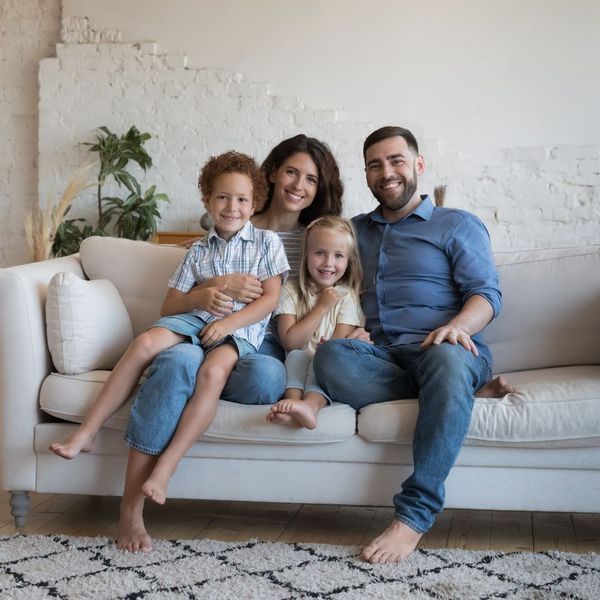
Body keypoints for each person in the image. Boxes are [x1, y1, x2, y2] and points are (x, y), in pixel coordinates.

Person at [117, 134, 344, 552]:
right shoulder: (234, 220)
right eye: (291, 172)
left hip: (269, 343)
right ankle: (131, 510)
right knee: (175, 364)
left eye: (311, 179)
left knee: (263, 376)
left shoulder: (322, 235)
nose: (298, 185)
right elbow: (195, 282)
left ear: (319, 188)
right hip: (215, 332)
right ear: (271, 175)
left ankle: (202, 381)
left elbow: (338, 290)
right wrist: (211, 282)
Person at [313, 125, 512, 564]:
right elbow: (323, 280)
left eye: (396, 160)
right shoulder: (355, 232)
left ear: (418, 165)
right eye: (375, 165)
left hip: (446, 351)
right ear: (366, 175)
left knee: (446, 361)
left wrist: (458, 327)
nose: (387, 172)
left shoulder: (456, 224)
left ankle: (414, 516)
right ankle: (451, 399)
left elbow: (487, 294)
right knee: (330, 355)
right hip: (384, 359)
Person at [49, 151, 289, 504]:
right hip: (194, 319)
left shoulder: (267, 243)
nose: (231, 207)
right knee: (146, 343)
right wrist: (205, 294)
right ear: (207, 200)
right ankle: (87, 431)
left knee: (212, 373)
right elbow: (170, 305)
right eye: (222, 197)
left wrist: (226, 325)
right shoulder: (196, 252)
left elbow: (269, 300)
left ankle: (167, 467)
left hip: (238, 331)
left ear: (254, 205)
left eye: (241, 199)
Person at [266, 216, 365, 429]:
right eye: (320, 253)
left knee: (323, 363)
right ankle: (293, 403)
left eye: (338, 256)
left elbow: (338, 344)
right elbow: (290, 342)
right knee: (296, 356)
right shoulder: (290, 292)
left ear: (349, 261)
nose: (328, 263)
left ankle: (311, 405)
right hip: (296, 361)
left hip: (326, 364)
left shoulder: (347, 296)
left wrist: (326, 349)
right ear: (306, 255)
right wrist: (321, 307)